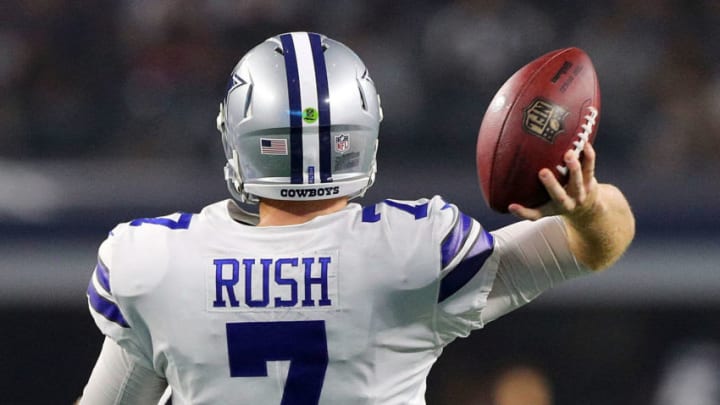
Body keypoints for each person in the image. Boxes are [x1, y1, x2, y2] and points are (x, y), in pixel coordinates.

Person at [78, 32, 634, 404]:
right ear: (361, 135)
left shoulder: (153, 263)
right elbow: (598, 246)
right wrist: (585, 207)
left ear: (240, 136)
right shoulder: (414, 253)